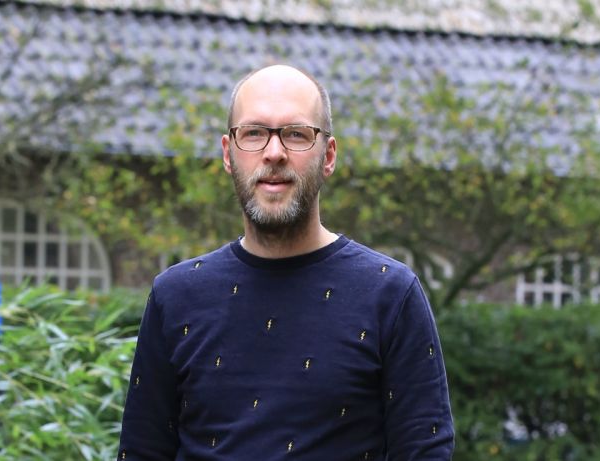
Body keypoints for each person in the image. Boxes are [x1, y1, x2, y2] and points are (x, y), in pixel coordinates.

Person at [117, 65, 454, 460]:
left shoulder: (391, 295)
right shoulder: (175, 296)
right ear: (228, 154)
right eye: (253, 133)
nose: (274, 153)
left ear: (328, 156)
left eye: (296, 134)